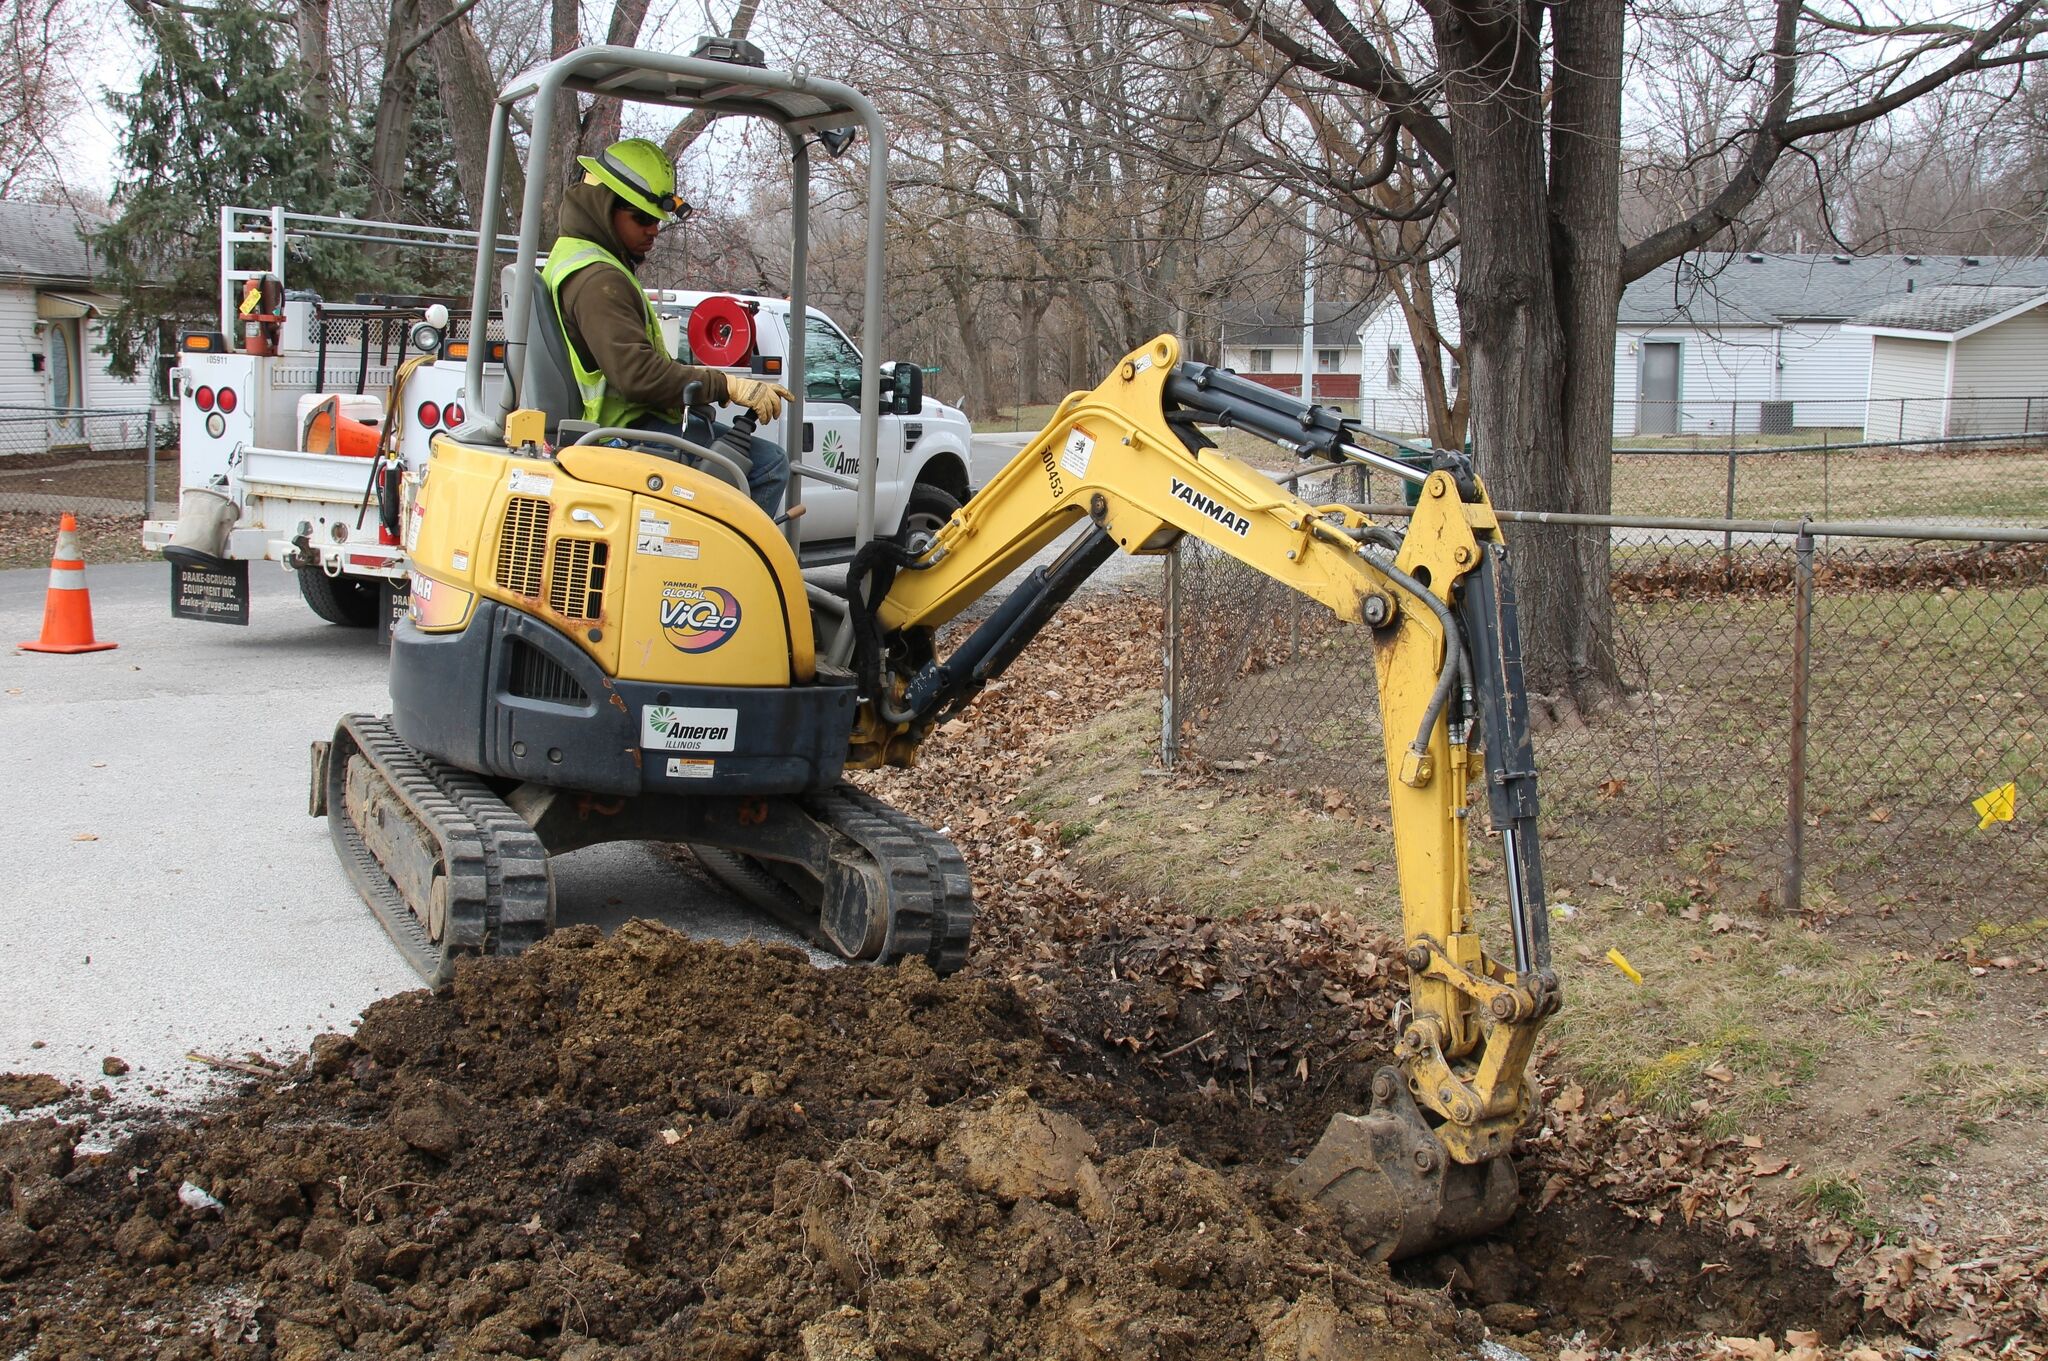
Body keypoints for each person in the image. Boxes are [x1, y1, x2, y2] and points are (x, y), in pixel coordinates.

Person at [543, 137, 793, 517]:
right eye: (641, 218)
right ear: (605, 207)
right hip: (619, 437)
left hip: (621, 427)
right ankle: (720, 575)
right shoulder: (599, 281)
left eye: (656, 219)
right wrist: (726, 384)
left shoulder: (579, 259)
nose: (653, 230)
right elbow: (637, 374)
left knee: (731, 446)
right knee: (768, 465)